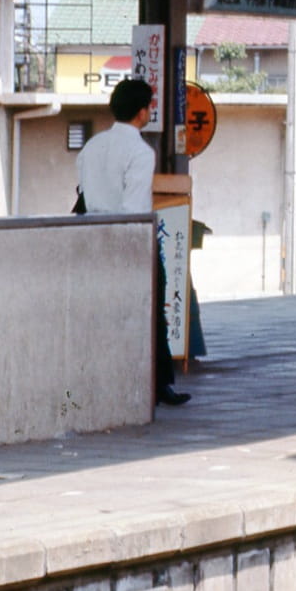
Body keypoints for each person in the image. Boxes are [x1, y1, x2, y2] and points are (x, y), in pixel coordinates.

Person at [77, 76, 186, 407]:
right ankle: (158, 385)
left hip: (90, 237)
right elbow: (134, 206)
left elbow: (83, 192)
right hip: (129, 240)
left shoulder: (91, 146)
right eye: (149, 105)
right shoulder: (140, 151)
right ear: (142, 112)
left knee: (99, 312)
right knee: (151, 312)